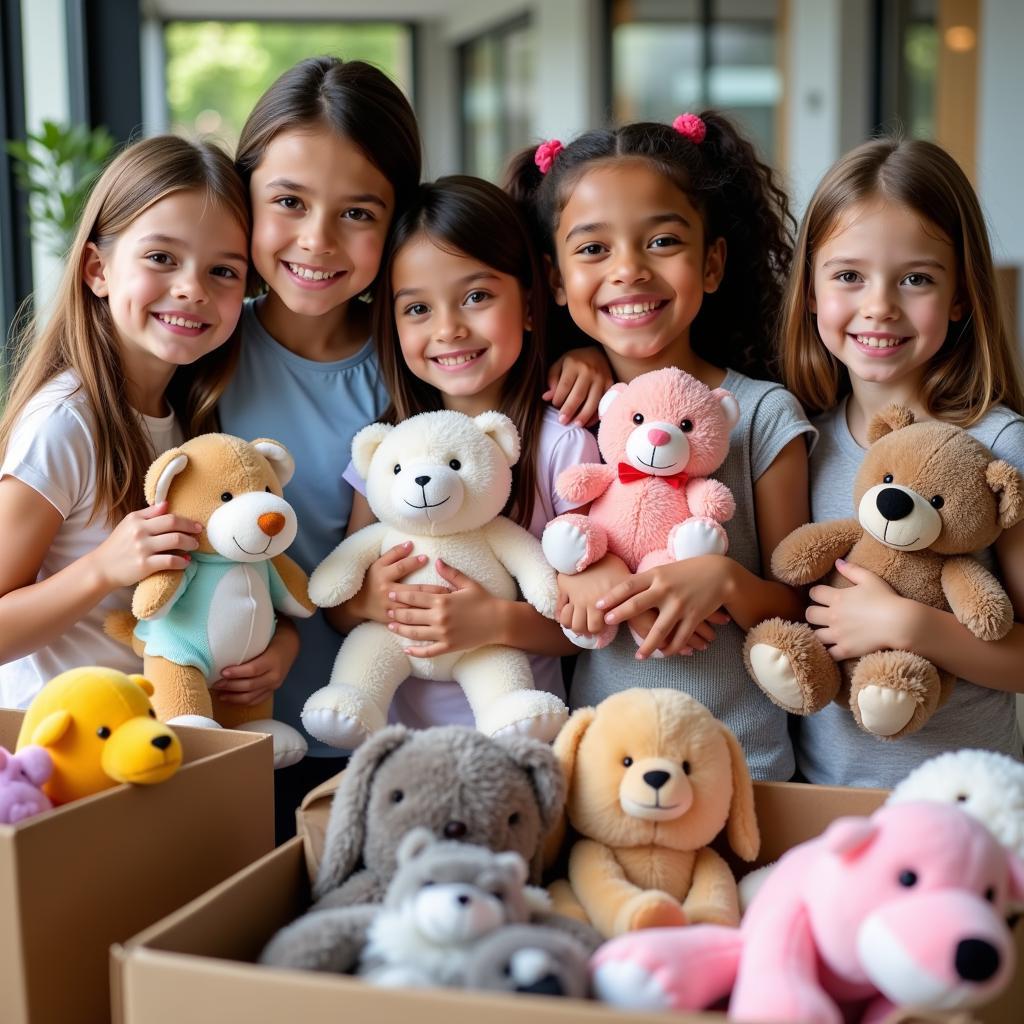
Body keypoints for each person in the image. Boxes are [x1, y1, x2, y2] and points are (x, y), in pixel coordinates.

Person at [218, 58, 608, 838]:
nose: (318, 240)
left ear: (392, 221)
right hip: (242, 726)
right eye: (289, 201)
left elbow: (501, 348)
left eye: (358, 213)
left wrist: (583, 353)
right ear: (245, 199)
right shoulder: (209, 344)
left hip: (396, 736)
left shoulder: (416, 365)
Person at [506, 111, 816, 780]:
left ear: (711, 263)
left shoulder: (762, 414)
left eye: (663, 241)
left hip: (743, 764)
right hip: (597, 764)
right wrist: (573, 571)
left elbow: (804, 604)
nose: (629, 271)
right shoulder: (563, 413)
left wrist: (728, 581)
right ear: (555, 282)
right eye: (592, 249)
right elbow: (519, 559)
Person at [778, 137, 1024, 787]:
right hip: (823, 807)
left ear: (962, 296)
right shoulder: (801, 441)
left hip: (967, 810)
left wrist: (911, 626)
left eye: (916, 278)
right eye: (848, 275)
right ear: (809, 291)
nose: (879, 305)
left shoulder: (1001, 447)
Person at [330, 175, 601, 730]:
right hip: (397, 746)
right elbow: (339, 603)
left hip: (520, 738)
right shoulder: (387, 455)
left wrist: (494, 622)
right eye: (417, 309)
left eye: (476, 297)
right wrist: (367, 604)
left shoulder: (565, 444)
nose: (450, 329)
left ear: (528, 304)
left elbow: (587, 626)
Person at [0, 135, 249, 708]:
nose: (192, 288)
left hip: (151, 746)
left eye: (224, 271)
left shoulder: (191, 420)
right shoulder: (65, 422)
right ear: (97, 269)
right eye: (162, 258)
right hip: (62, 758)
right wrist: (102, 567)